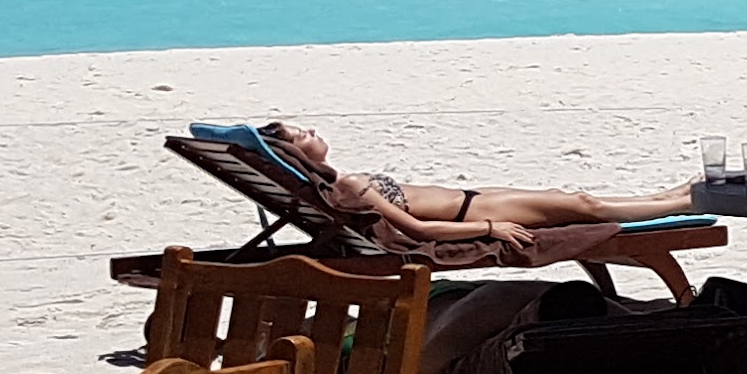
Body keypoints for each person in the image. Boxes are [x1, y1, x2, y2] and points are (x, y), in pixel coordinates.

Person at [263, 121, 694, 230]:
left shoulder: (342, 183)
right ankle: (684, 203)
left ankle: (665, 195)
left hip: (473, 197)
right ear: (296, 152)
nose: (312, 131)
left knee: (569, 197)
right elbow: (417, 228)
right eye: (303, 135)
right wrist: (491, 229)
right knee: (584, 206)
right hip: (474, 213)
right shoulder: (350, 186)